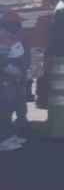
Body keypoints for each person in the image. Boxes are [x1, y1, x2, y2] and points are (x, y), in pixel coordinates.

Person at [0, 13, 28, 151]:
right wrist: (11, 70)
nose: (19, 26)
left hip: (13, 79)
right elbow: (2, 61)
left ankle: (9, 136)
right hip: (5, 80)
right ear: (8, 24)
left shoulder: (12, 36)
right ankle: (3, 140)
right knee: (4, 110)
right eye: (17, 24)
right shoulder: (3, 37)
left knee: (11, 107)